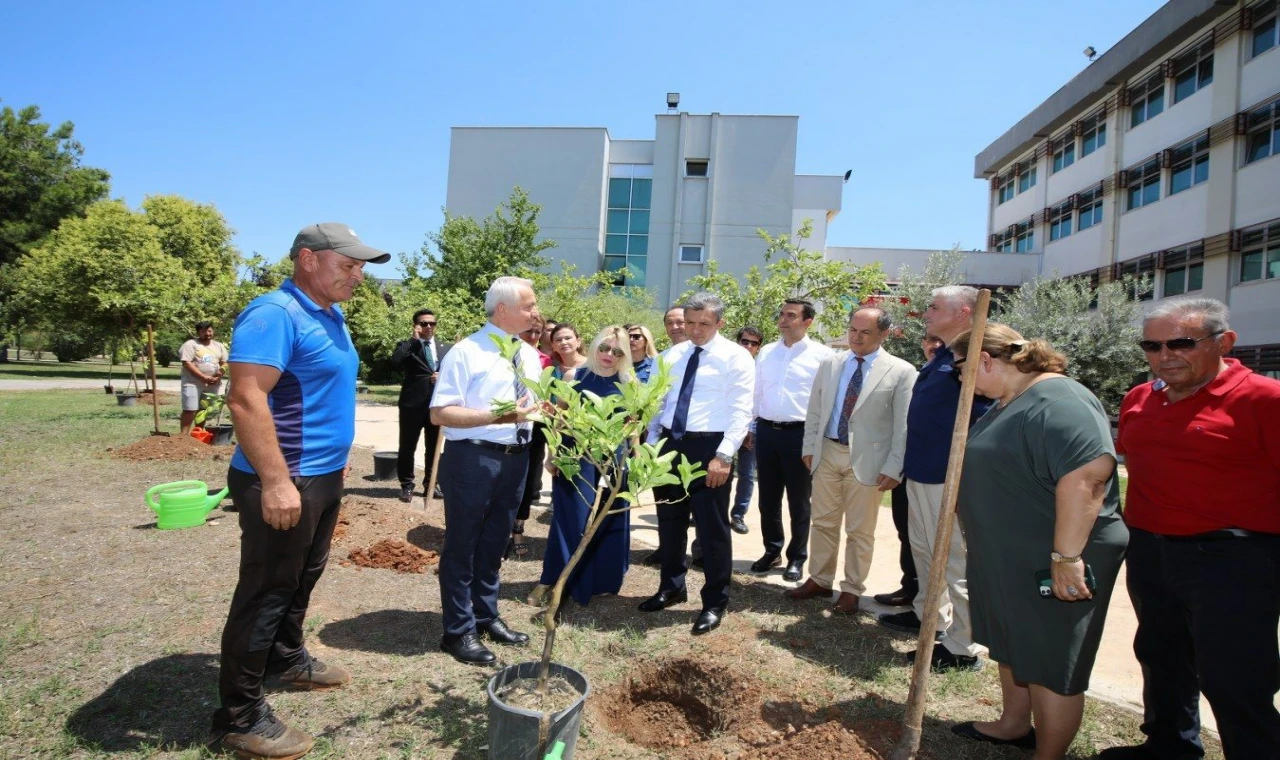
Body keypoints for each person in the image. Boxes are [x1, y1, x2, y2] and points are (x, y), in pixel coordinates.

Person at [209, 222, 390, 759]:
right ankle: (237, 717)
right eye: (349, 264)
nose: (358, 276)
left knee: (300, 577)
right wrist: (276, 481)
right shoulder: (275, 314)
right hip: (285, 479)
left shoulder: (329, 314)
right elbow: (245, 400)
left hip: (321, 476)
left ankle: (285, 659)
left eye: (360, 267)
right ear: (308, 259)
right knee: (265, 591)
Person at [1101, 298, 1280, 760]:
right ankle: (1170, 748)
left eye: (1181, 342)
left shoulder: (1265, 399)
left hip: (1233, 559)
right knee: (1160, 656)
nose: (1166, 355)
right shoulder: (1140, 398)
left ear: (1224, 341)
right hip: (1151, 551)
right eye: (1152, 345)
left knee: (1234, 677)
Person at [948, 324, 1127, 758]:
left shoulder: (1062, 400)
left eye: (961, 371)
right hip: (1010, 552)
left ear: (986, 361)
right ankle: (1013, 724)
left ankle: (1049, 754)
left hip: (1054, 554)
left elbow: (1087, 478)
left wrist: (1066, 557)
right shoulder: (1010, 399)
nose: (961, 381)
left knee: (1050, 657)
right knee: (1013, 641)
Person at [430, 276, 542, 665]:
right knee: (464, 544)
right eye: (529, 306)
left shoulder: (526, 354)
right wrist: (499, 414)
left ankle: (485, 614)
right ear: (503, 310)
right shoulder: (466, 352)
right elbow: (439, 412)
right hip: (473, 460)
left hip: (517, 458)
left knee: (495, 542)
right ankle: (458, 630)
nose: (535, 312)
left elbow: (531, 407)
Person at [878, 285, 991, 671]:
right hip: (923, 473)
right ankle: (931, 620)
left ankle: (963, 646)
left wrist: (970, 481)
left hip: (950, 478)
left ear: (963, 312)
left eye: (933, 306)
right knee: (926, 553)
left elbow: (986, 421)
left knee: (956, 561)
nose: (925, 312)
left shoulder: (980, 353)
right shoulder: (945, 353)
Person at [641, 292, 754, 635]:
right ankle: (671, 586)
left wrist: (724, 455)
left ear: (720, 323)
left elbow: (740, 410)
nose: (695, 329)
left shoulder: (736, 357)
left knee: (712, 529)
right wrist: (650, 447)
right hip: (670, 445)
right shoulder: (672, 355)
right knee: (669, 520)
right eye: (689, 322)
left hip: (710, 448)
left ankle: (714, 600)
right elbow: (657, 405)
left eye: (704, 323)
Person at [792, 307, 914, 614]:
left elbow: (903, 426)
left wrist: (894, 466)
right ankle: (819, 580)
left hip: (868, 462)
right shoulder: (831, 364)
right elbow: (816, 409)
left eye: (865, 332)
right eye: (852, 330)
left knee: (860, 532)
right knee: (822, 522)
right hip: (827, 452)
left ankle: (851, 590)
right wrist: (809, 446)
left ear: (884, 334)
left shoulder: (901, 371)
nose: (856, 338)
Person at [529, 325, 636, 607]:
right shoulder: (574, 375)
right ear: (594, 346)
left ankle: (602, 581)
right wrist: (552, 455)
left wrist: (633, 460)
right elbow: (560, 418)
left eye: (617, 351)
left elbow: (634, 427)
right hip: (574, 457)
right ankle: (556, 580)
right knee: (570, 521)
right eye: (604, 348)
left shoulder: (629, 383)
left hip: (612, 461)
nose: (608, 355)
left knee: (607, 519)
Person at [752, 300, 834, 581]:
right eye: (782, 314)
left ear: (808, 322)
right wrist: (751, 428)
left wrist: (816, 440)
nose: (783, 320)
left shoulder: (823, 356)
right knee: (767, 499)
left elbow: (826, 401)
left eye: (791, 315)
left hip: (800, 435)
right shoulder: (766, 352)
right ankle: (771, 550)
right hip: (765, 432)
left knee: (799, 501)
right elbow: (756, 392)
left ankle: (796, 558)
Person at [874, 335, 941, 608]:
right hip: (908, 467)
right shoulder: (921, 374)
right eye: (929, 340)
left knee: (930, 539)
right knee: (908, 533)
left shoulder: (951, 376)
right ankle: (911, 589)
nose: (933, 346)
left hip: (934, 471)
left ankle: (923, 600)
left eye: (939, 341)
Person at [642, 306, 691, 567]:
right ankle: (668, 549)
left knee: (699, 502)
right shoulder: (664, 358)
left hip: (699, 440)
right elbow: (655, 403)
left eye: (680, 322)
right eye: (669, 323)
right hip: (667, 439)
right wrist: (651, 441)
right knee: (667, 499)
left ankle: (700, 551)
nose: (675, 327)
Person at [391, 309, 451, 502]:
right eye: (423, 323)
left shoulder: (446, 349)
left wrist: (442, 377)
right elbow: (395, 361)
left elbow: (454, 372)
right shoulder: (408, 346)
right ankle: (406, 485)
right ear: (416, 325)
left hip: (436, 405)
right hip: (412, 404)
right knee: (407, 446)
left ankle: (430, 484)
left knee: (434, 447)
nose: (428, 327)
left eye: (432, 323)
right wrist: (413, 340)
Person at [510, 316, 555, 558]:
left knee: (527, 482)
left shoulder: (547, 361)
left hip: (534, 428)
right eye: (529, 331)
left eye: (539, 332)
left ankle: (518, 530)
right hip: (506, 424)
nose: (534, 337)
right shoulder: (505, 354)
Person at [730, 326, 763, 535]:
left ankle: (738, 514)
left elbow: (757, 402)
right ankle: (701, 513)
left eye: (754, 343)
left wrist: (748, 430)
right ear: (738, 341)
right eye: (745, 341)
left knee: (747, 474)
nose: (748, 346)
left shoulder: (761, 369)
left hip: (750, 430)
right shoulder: (727, 364)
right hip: (722, 429)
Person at [179, 321, 228, 434]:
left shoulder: (219, 346)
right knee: (190, 409)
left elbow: (225, 363)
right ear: (198, 332)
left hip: (212, 383)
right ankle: (183, 437)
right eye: (204, 331)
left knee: (203, 410)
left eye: (209, 331)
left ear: (213, 331)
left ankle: (198, 433)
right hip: (193, 383)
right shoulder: (191, 344)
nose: (207, 333)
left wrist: (218, 375)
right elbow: (186, 363)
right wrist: (203, 377)